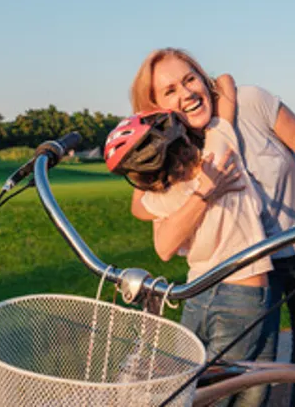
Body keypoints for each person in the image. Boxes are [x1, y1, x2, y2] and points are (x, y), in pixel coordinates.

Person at [129, 48, 295, 407]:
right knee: (256, 374)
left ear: (204, 78)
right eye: (170, 90)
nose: (186, 93)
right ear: (156, 107)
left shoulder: (251, 102)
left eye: (189, 79)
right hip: (256, 265)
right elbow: (140, 203)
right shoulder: (176, 146)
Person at [104, 74, 273, 407]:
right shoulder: (218, 151)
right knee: (230, 391)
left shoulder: (162, 199)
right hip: (244, 288)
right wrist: (192, 97)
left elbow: (152, 229)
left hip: (195, 290)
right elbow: (226, 84)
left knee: (193, 393)